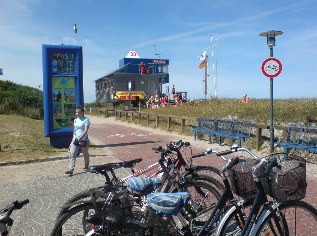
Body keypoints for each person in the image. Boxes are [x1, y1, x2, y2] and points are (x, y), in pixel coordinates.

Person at [65, 107, 90, 176]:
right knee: (73, 154)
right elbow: (75, 130)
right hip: (76, 139)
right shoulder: (76, 120)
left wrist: (81, 137)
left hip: (84, 139)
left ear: (82, 112)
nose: (77, 114)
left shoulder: (86, 120)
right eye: (76, 112)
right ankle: (71, 169)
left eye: (78, 112)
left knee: (85, 154)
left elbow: (86, 129)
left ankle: (86, 165)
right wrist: (73, 139)